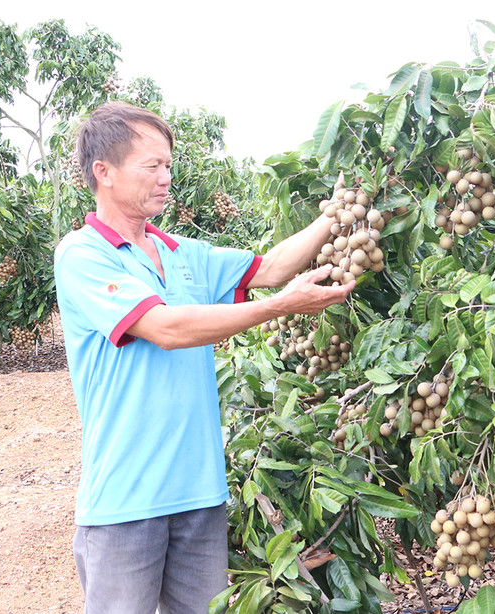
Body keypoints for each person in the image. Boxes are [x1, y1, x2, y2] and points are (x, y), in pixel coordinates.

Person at [53, 101, 354, 614]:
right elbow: (164, 328)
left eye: (168, 165)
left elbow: (272, 267)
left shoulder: (181, 252)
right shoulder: (83, 255)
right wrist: (279, 307)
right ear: (104, 172)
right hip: (125, 500)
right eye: (152, 165)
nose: (166, 178)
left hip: (200, 496)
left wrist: (340, 209)